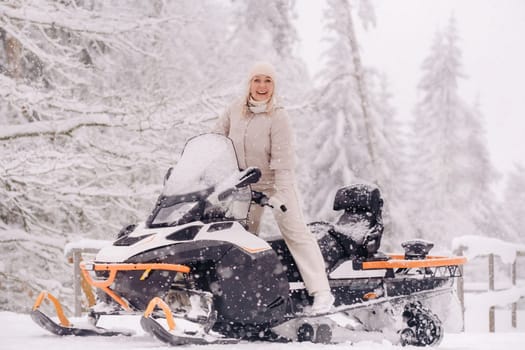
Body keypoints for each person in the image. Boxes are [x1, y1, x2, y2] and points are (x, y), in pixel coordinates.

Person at [213, 61, 334, 314]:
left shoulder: (277, 116)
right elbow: (216, 141)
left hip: (275, 183)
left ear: (274, 85)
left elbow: (283, 162)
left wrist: (279, 196)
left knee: (295, 232)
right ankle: (240, 300)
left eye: (268, 81)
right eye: (257, 80)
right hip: (243, 185)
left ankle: (321, 293)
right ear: (249, 83)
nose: (262, 86)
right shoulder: (234, 110)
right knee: (238, 239)